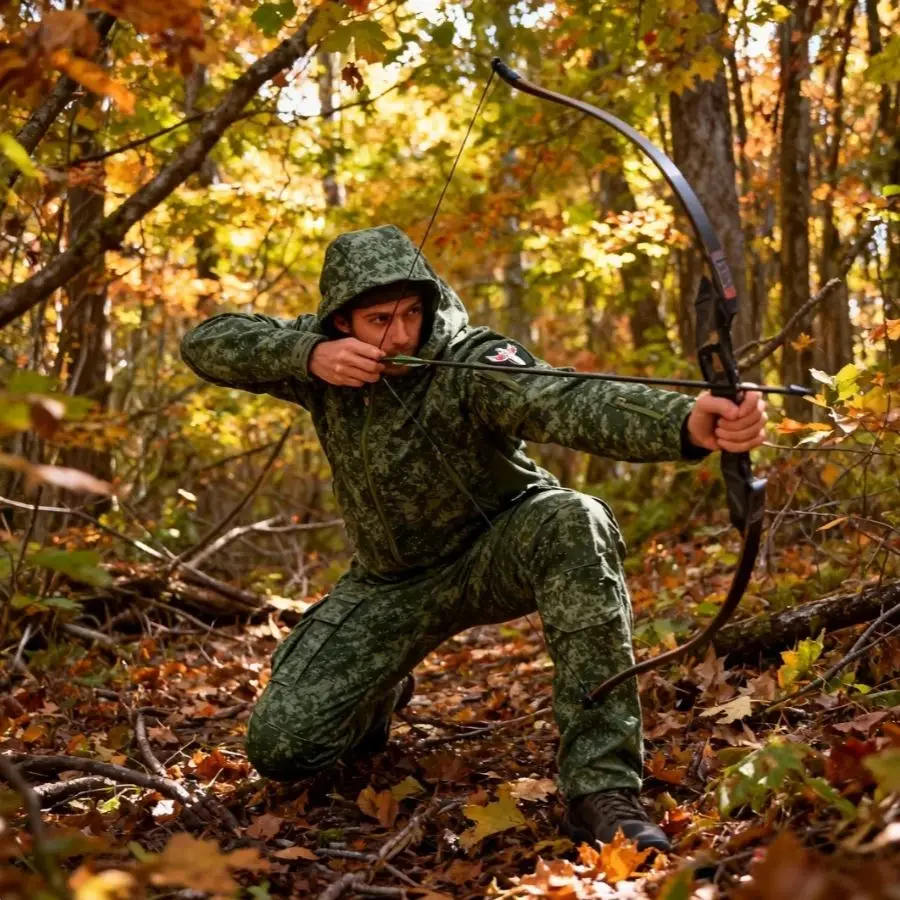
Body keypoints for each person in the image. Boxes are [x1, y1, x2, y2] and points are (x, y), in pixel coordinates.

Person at [181, 224, 767, 853]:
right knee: (283, 746)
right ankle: (380, 691)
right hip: (394, 581)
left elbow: (563, 398)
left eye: (411, 313)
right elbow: (206, 342)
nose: (400, 335)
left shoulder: (470, 359)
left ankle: (601, 790)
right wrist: (306, 357)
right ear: (341, 321)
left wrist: (685, 422)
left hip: (501, 546)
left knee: (576, 518)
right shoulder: (323, 362)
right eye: (379, 319)